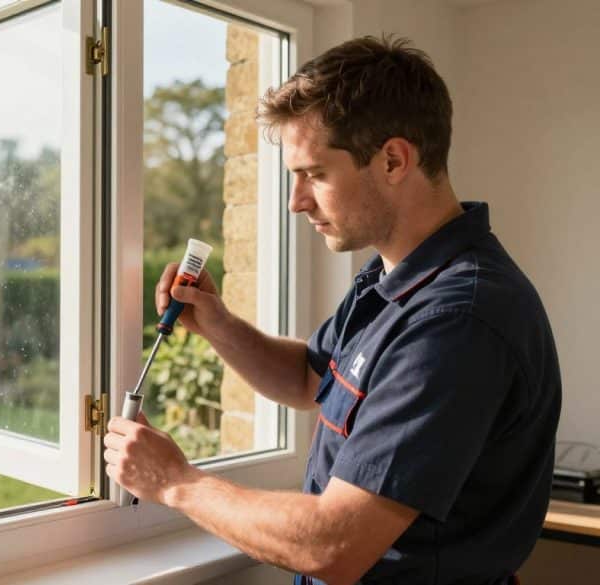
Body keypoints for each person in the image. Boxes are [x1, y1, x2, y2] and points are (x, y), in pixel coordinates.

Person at [104, 35, 561, 585]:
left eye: (315, 174)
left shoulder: (458, 320)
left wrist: (176, 482)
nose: (297, 201)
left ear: (393, 159)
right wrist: (217, 323)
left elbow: (334, 545)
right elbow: (307, 377)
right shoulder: (392, 276)